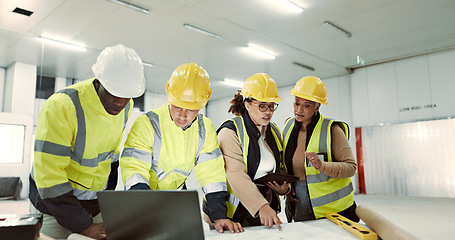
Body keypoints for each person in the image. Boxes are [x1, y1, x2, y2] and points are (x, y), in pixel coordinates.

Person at [29, 44, 146, 240]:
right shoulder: (61, 106)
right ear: (98, 82)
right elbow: (50, 178)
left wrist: (106, 203)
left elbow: (111, 157)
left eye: (126, 96)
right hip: (54, 204)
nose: (119, 102)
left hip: (94, 202)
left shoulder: (126, 106)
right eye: (113, 93)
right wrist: (83, 225)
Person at [120, 62, 243, 234]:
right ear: (169, 96)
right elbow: (134, 169)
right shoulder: (147, 123)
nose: (183, 115)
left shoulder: (205, 128)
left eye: (191, 109)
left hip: (174, 201)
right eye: (177, 106)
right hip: (142, 200)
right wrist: (144, 210)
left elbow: (211, 175)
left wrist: (219, 216)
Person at [217, 73, 289, 230]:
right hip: (232, 214)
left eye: (272, 106)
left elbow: (280, 165)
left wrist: (285, 188)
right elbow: (236, 174)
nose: (268, 112)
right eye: (262, 106)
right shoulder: (230, 131)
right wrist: (261, 206)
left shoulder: (273, 131)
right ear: (247, 104)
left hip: (263, 208)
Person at [282, 76, 359, 223]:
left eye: (306, 105)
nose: (299, 109)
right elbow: (286, 164)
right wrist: (287, 186)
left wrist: (322, 166)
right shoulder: (288, 126)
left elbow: (351, 167)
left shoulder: (332, 129)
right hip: (298, 202)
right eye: (296, 103)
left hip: (333, 208)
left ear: (317, 107)